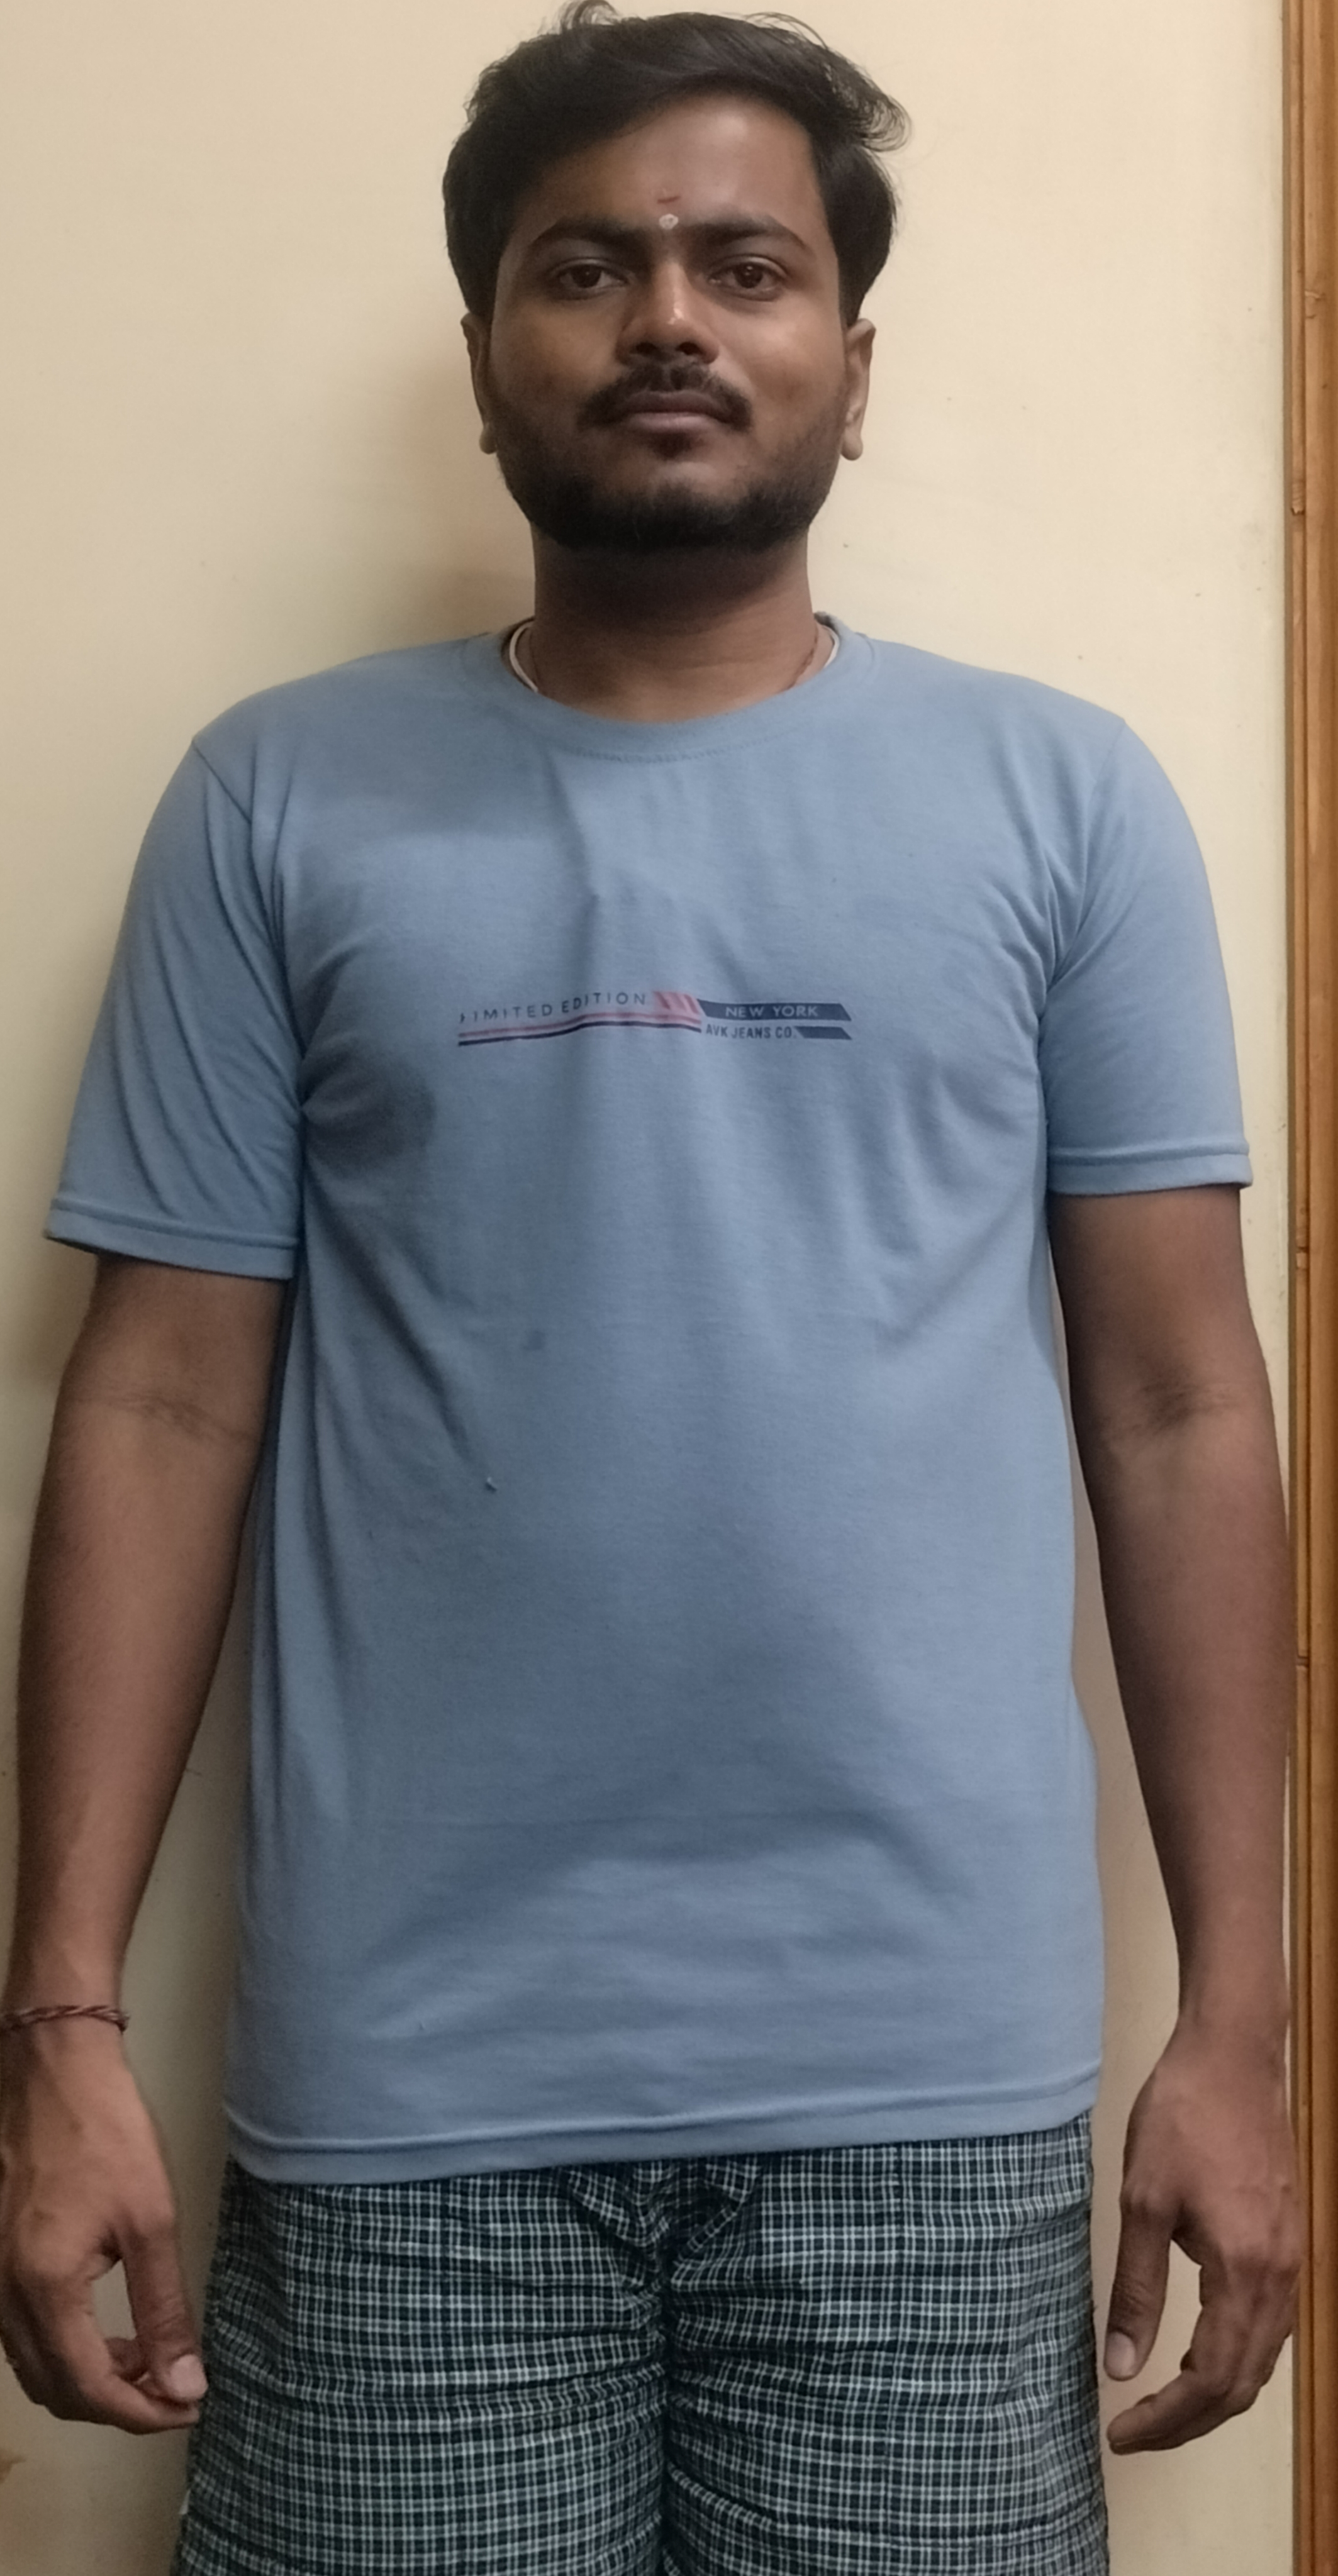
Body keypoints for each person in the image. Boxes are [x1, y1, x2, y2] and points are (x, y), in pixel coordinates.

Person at [0, 6, 1299, 2571]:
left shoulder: (1062, 801)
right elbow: (156, 1408)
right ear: (489, 355)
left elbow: (1178, 1412)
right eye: (586, 268)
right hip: (406, 2101)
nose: (670, 319)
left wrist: (1240, 2029)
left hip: (927, 2101)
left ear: (851, 362)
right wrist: (55, 2018)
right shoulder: (277, 799)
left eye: (746, 265)